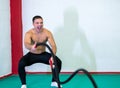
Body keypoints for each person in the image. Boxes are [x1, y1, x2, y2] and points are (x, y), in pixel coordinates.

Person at [18, 15, 62, 88]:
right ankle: (23, 84)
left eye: (41, 23)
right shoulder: (29, 33)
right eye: (37, 23)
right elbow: (26, 44)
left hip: (43, 54)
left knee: (58, 62)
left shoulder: (47, 32)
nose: (39, 25)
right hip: (32, 55)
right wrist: (31, 47)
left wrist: (52, 56)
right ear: (33, 24)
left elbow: (53, 46)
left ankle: (54, 81)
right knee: (21, 63)